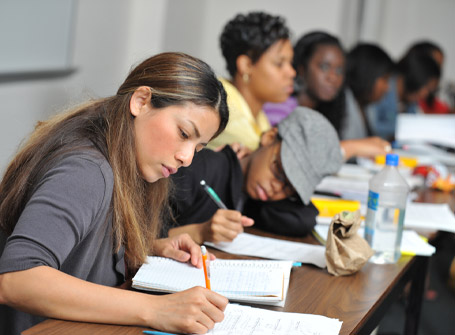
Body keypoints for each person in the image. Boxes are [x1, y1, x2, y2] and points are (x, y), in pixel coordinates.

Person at [0, 52, 230, 335]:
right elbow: (17, 279)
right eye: (184, 133)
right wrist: (157, 309)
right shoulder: (87, 170)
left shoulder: (123, 162)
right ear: (141, 101)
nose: (187, 158)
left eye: (199, 147)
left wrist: (149, 248)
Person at [167, 107, 343, 242]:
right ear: (269, 137)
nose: (277, 188)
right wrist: (199, 232)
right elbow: (143, 238)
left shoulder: (250, 199)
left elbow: (304, 219)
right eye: (279, 171)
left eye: (291, 189)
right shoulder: (202, 169)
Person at [265, 32, 391, 160]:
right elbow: (283, 159)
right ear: (302, 69)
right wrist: (351, 147)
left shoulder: (326, 112)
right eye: (324, 67)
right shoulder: (281, 107)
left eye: (339, 70)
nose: (333, 77)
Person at [207, 11, 295, 151]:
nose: (291, 72)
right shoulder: (224, 112)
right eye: (279, 64)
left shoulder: (258, 116)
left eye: (290, 63)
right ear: (246, 65)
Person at [367, 48, 441, 140]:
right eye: (426, 88)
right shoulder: (383, 88)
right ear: (417, 76)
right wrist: (404, 129)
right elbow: (371, 127)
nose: (425, 94)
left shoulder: (411, 101)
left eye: (430, 91)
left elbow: (414, 124)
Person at [344, 43, 395, 139]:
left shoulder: (367, 107)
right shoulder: (341, 106)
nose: (387, 88)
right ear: (367, 75)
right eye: (384, 79)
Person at [405, 41, 452, 114]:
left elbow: (445, 112)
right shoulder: (393, 92)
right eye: (433, 66)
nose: (437, 74)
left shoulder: (429, 98)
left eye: (439, 68)